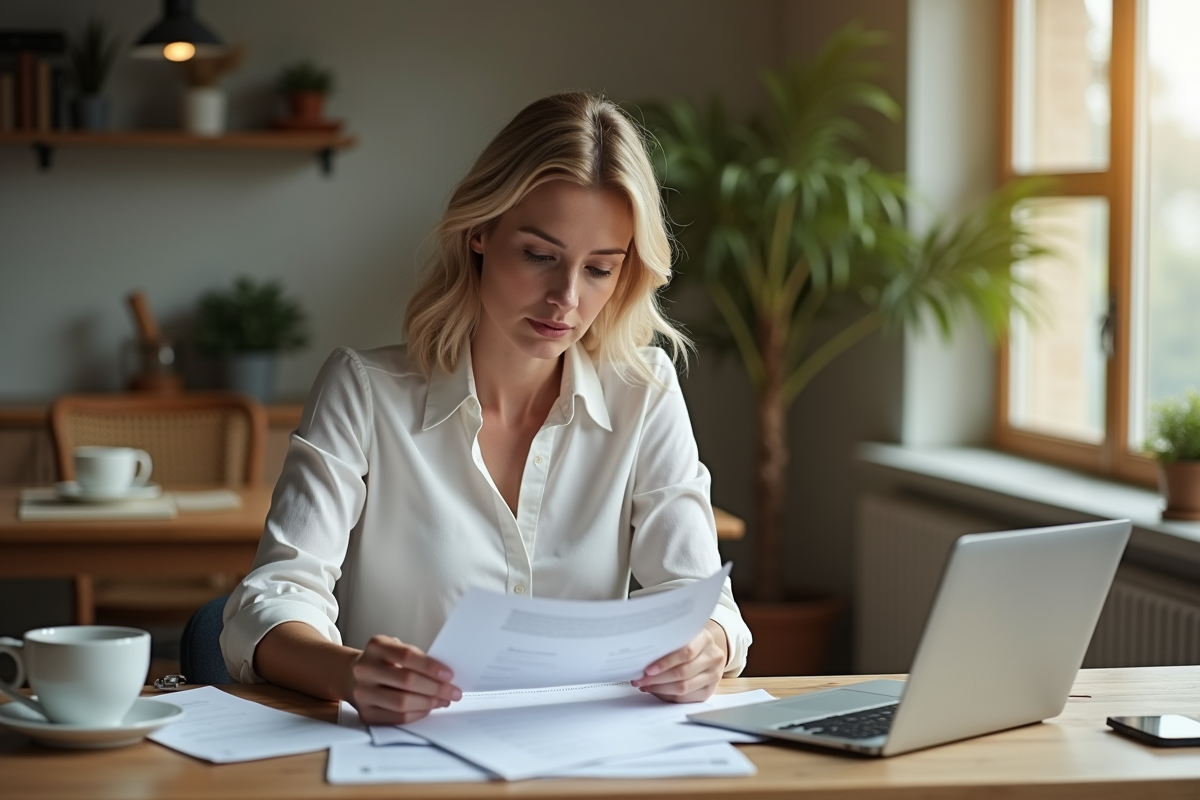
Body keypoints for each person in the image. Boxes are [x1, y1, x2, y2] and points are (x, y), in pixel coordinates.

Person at [220, 91, 752, 725]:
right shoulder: (363, 391)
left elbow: (702, 606)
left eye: (600, 270)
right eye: (539, 256)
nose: (566, 299)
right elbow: (273, 601)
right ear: (479, 232)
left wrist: (707, 646)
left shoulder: (645, 392)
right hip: (403, 764)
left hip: (584, 762)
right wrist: (350, 672)